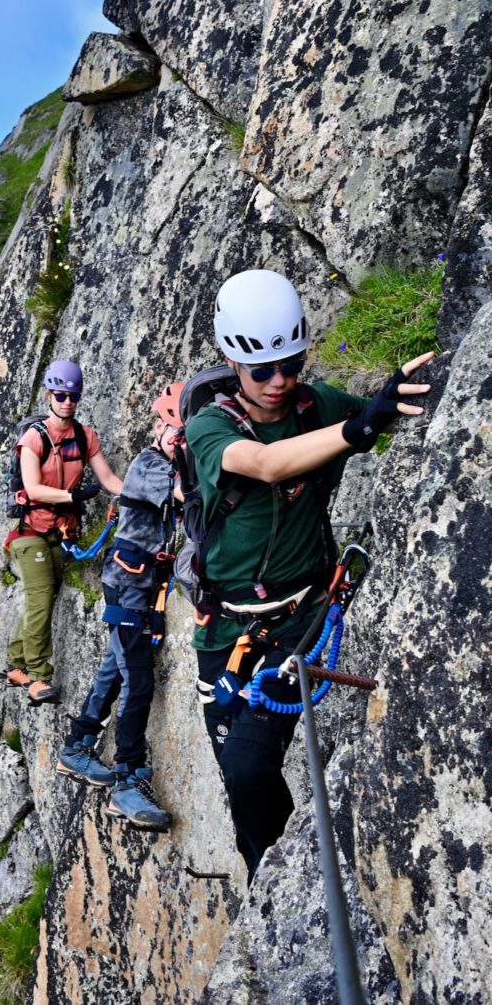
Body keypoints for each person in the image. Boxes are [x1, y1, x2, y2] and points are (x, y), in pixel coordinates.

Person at [185, 268, 434, 881]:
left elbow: (377, 416)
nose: (278, 381)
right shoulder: (210, 429)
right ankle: (271, 892)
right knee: (243, 784)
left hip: (303, 617)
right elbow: (266, 464)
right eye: (261, 371)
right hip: (229, 638)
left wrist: (390, 397)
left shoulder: (315, 404)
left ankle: (291, 886)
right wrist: (356, 428)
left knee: (248, 767)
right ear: (232, 365)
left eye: (290, 364)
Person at [57, 383, 185, 830]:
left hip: (138, 583)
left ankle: (78, 744)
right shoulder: (152, 465)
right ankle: (128, 780)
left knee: (117, 666)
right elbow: (187, 496)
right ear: (158, 427)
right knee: (139, 679)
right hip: (130, 585)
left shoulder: (163, 461)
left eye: (185, 435)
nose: (178, 440)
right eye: (174, 430)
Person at [6, 360, 123, 705]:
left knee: (42, 598)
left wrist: (137, 493)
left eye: (73, 395)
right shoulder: (33, 438)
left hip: (60, 533)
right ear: (49, 395)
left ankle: (16, 661)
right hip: (29, 531)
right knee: (41, 599)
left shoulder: (85, 437)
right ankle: (38, 678)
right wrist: (73, 495)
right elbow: (34, 488)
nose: (67, 401)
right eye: (60, 395)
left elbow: (109, 479)